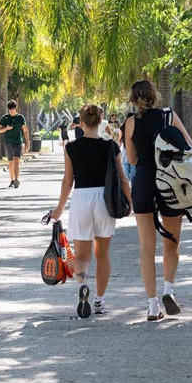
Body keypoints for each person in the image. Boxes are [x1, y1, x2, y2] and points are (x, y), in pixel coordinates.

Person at [123, 79, 192, 321]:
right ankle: (168, 290)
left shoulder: (130, 123)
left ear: (134, 100)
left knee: (146, 247)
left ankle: (153, 305)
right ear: (155, 96)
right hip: (170, 184)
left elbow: (132, 160)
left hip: (143, 183)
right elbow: (189, 147)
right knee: (172, 240)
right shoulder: (169, 117)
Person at [51, 104, 131, 318]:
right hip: (104, 199)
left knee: (82, 255)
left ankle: (82, 285)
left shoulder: (71, 148)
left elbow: (67, 181)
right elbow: (123, 178)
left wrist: (59, 209)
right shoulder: (111, 147)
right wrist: (130, 203)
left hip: (81, 199)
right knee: (102, 254)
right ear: (100, 121)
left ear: (82, 123)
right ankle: (99, 300)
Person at [0, 100, 28, 188]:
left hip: (18, 142)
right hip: (8, 142)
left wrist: (27, 142)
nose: (11, 111)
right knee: (10, 162)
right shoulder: (5, 118)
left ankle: (16, 180)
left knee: (16, 161)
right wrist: (6, 128)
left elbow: (25, 130)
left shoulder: (20, 118)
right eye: (10, 109)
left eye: (13, 109)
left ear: (16, 108)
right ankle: (11, 179)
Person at [120, 111, 136, 183]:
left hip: (125, 149)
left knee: (125, 166)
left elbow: (120, 139)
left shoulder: (123, 127)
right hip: (134, 149)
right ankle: (132, 185)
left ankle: (126, 185)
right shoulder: (135, 126)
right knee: (133, 168)